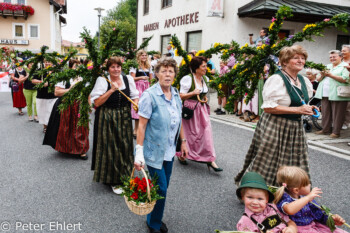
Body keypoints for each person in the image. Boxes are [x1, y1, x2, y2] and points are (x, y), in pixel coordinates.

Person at [235, 45, 315, 186]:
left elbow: (301, 103)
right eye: (295, 58)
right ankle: (256, 189)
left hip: (295, 127)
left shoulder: (304, 81)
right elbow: (268, 107)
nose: (300, 61)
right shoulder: (276, 79)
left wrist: (308, 108)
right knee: (267, 158)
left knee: (296, 158)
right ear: (284, 62)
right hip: (275, 124)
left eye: (302, 58)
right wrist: (298, 110)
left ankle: (291, 190)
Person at [134, 57, 188, 233]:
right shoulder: (149, 96)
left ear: (175, 75)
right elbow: (141, 126)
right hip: (153, 151)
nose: (167, 74)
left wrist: (184, 142)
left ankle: (153, 217)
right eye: (163, 71)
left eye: (171, 71)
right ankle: (154, 223)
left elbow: (178, 120)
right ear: (156, 74)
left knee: (161, 187)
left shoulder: (176, 94)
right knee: (161, 188)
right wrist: (139, 153)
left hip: (170, 150)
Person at [90, 57, 139, 194]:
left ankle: (125, 174)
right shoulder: (102, 80)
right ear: (108, 68)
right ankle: (113, 180)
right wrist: (111, 90)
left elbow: (135, 95)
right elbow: (97, 103)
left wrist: (136, 103)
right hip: (107, 117)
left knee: (125, 145)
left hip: (124, 116)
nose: (116, 69)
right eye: (113, 67)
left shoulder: (128, 79)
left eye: (118, 66)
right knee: (111, 147)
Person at [177, 56, 223, 171]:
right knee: (189, 134)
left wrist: (203, 98)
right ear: (196, 68)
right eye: (203, 66)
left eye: (206, 66)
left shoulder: (205, 79)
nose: (206, 68)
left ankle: (210, 159)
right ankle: (183, 155)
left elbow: (204, 93)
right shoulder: (188, 79)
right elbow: (180, 95)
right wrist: (193, 92)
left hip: (201, 109)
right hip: (189, 109)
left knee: (206, 132)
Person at [275, 166, 348, 233]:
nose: (310, 185)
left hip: (313, 226)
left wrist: (332, 220)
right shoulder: (285, 198)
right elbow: (289, 209)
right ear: (296, 190)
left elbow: (318, 214)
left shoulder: (305, 197)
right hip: (297, 229)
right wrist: (308, 198)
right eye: (306, 184)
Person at [43, 59, 89, 160]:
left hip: (80, 104)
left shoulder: (83, 77)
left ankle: (81, 149)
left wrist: (89, 104)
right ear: (70, 67)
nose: (78, 69)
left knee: (81, 127)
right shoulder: (64, 78)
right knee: (66, 127)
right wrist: (70, 89)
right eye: (75, 66)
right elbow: (57, 93)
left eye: (79, 66)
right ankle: (66, 147)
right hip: (66, 104)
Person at [314, 50, 350, 138]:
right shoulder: (327, 66)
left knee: (338, 114)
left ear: (340, 57)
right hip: (325, 93)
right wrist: (322, 75)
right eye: (330, 57)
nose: (332, 58)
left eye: (334, 57)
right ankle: (325, 129)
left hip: (338, 93)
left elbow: (345, 79)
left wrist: (331, 75)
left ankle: (336, 132)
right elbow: (318, 79)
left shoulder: (345, 66)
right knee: (325, 112)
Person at [130, 50, 153, 138]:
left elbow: (151, 79)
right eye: (142, 55)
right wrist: (141, 77)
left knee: (145, 107)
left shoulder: (149, 66)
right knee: (138, 107)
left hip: (146, 88)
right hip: (138, 87)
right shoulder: (135, 66)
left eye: (145, 55)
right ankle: (135, 129)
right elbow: (131, 78)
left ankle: (143, 129)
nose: (144, 57)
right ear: (138, 56)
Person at [341, 45, 350, 130]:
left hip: (348, 85)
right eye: (342, 50)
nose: (342, 52)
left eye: (344, 51)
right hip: (338, 85)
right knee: (339, 106)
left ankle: (346, 122)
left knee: (347, 107)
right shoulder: (340, 60)